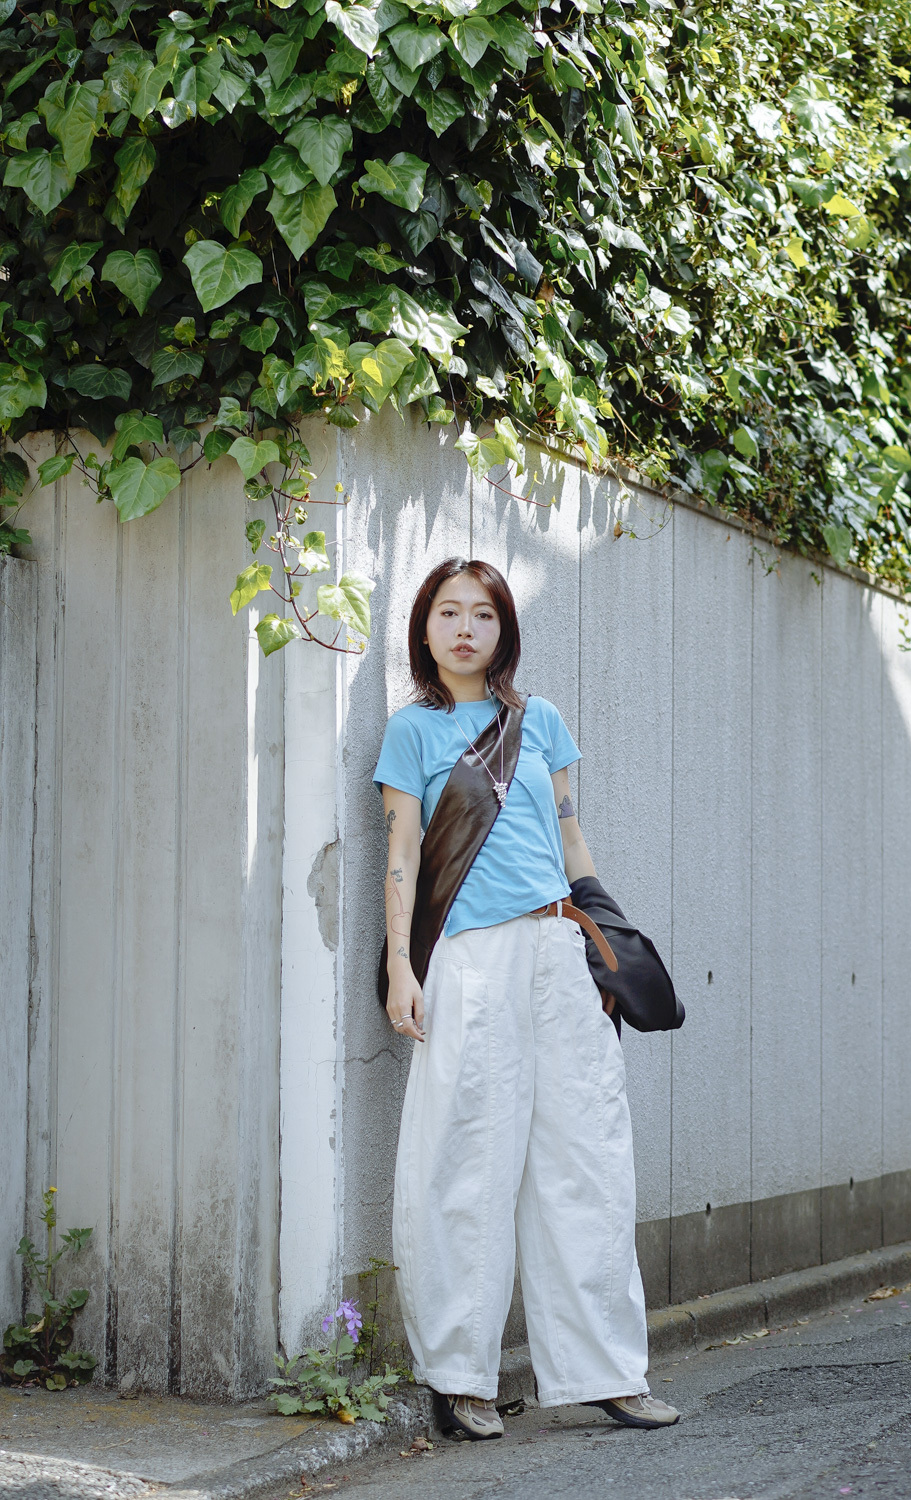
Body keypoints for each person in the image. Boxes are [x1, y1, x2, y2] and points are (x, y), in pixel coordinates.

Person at [372, 557, 678, 1440]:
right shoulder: (412, 731)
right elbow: (401, 854)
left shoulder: (539, 721)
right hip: (470, 960)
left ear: (505, 629)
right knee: (466, 1162)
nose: (465, 628)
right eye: (448, 613)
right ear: (424, 630)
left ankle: (607, 1372)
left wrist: (606, 945)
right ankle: (459, 1376)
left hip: (557, 950)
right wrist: (403, 967)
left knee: (588, 1157)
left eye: (483, 614)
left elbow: (573, 843)